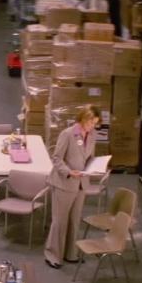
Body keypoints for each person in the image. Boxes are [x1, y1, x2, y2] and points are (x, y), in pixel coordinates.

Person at [44, 105, 101, 269]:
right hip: (64, 183)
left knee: (75, 220)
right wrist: (69, 172)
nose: (92, 126)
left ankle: (70, 253)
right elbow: (57, 158)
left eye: (95, 123)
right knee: (60, 221)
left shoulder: (92, 135)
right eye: (90, 122)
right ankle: (53, 255)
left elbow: (89, 157)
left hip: (81, 184)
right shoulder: (68, 134)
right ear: (83, 119)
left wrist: (96, 166)